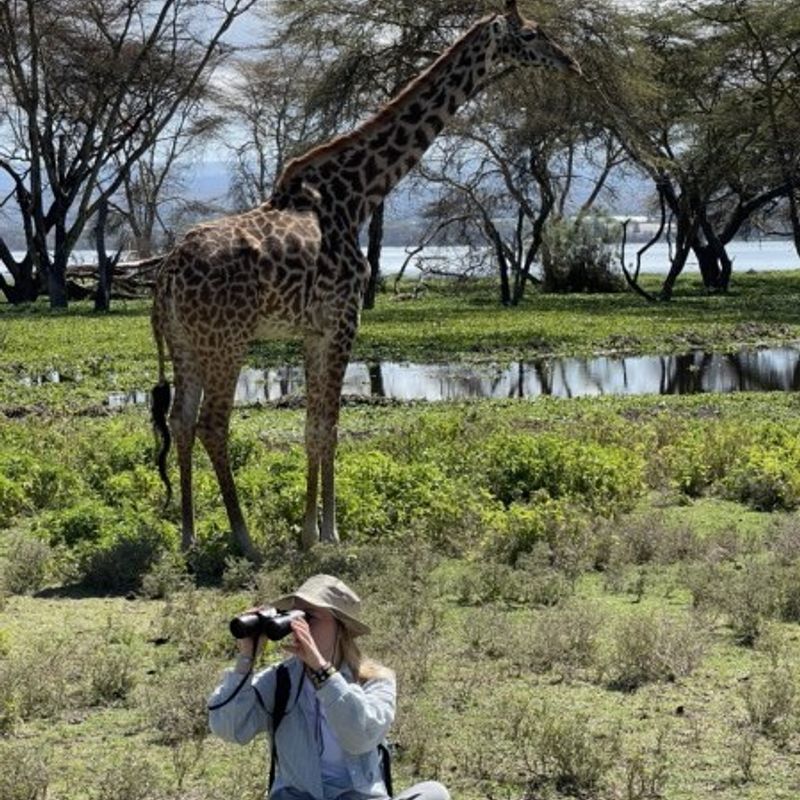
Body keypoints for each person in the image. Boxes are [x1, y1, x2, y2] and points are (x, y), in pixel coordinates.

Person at [208, 573, 450, 800]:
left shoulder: (376, 679)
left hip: (357, 795)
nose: (296, 627)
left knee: (434, 792)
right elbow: (230, 729)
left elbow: (360, 737)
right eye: (293, 616)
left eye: (309, 618)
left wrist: (323, 671)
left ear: (340, 628)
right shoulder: (281, 679)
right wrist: (246, 660)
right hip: (297, 795)